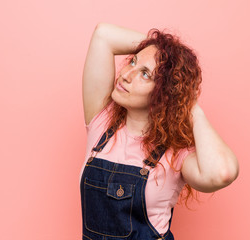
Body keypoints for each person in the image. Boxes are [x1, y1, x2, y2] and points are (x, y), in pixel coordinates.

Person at [79, 23, 239, 240]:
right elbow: (103, 35)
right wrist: (164, 50)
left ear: (164, 92)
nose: (126, 74)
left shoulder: (175, 155)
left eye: (145, 74)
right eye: (133, 62)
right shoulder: (101, 124)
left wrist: (187, 101)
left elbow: (223, 173)